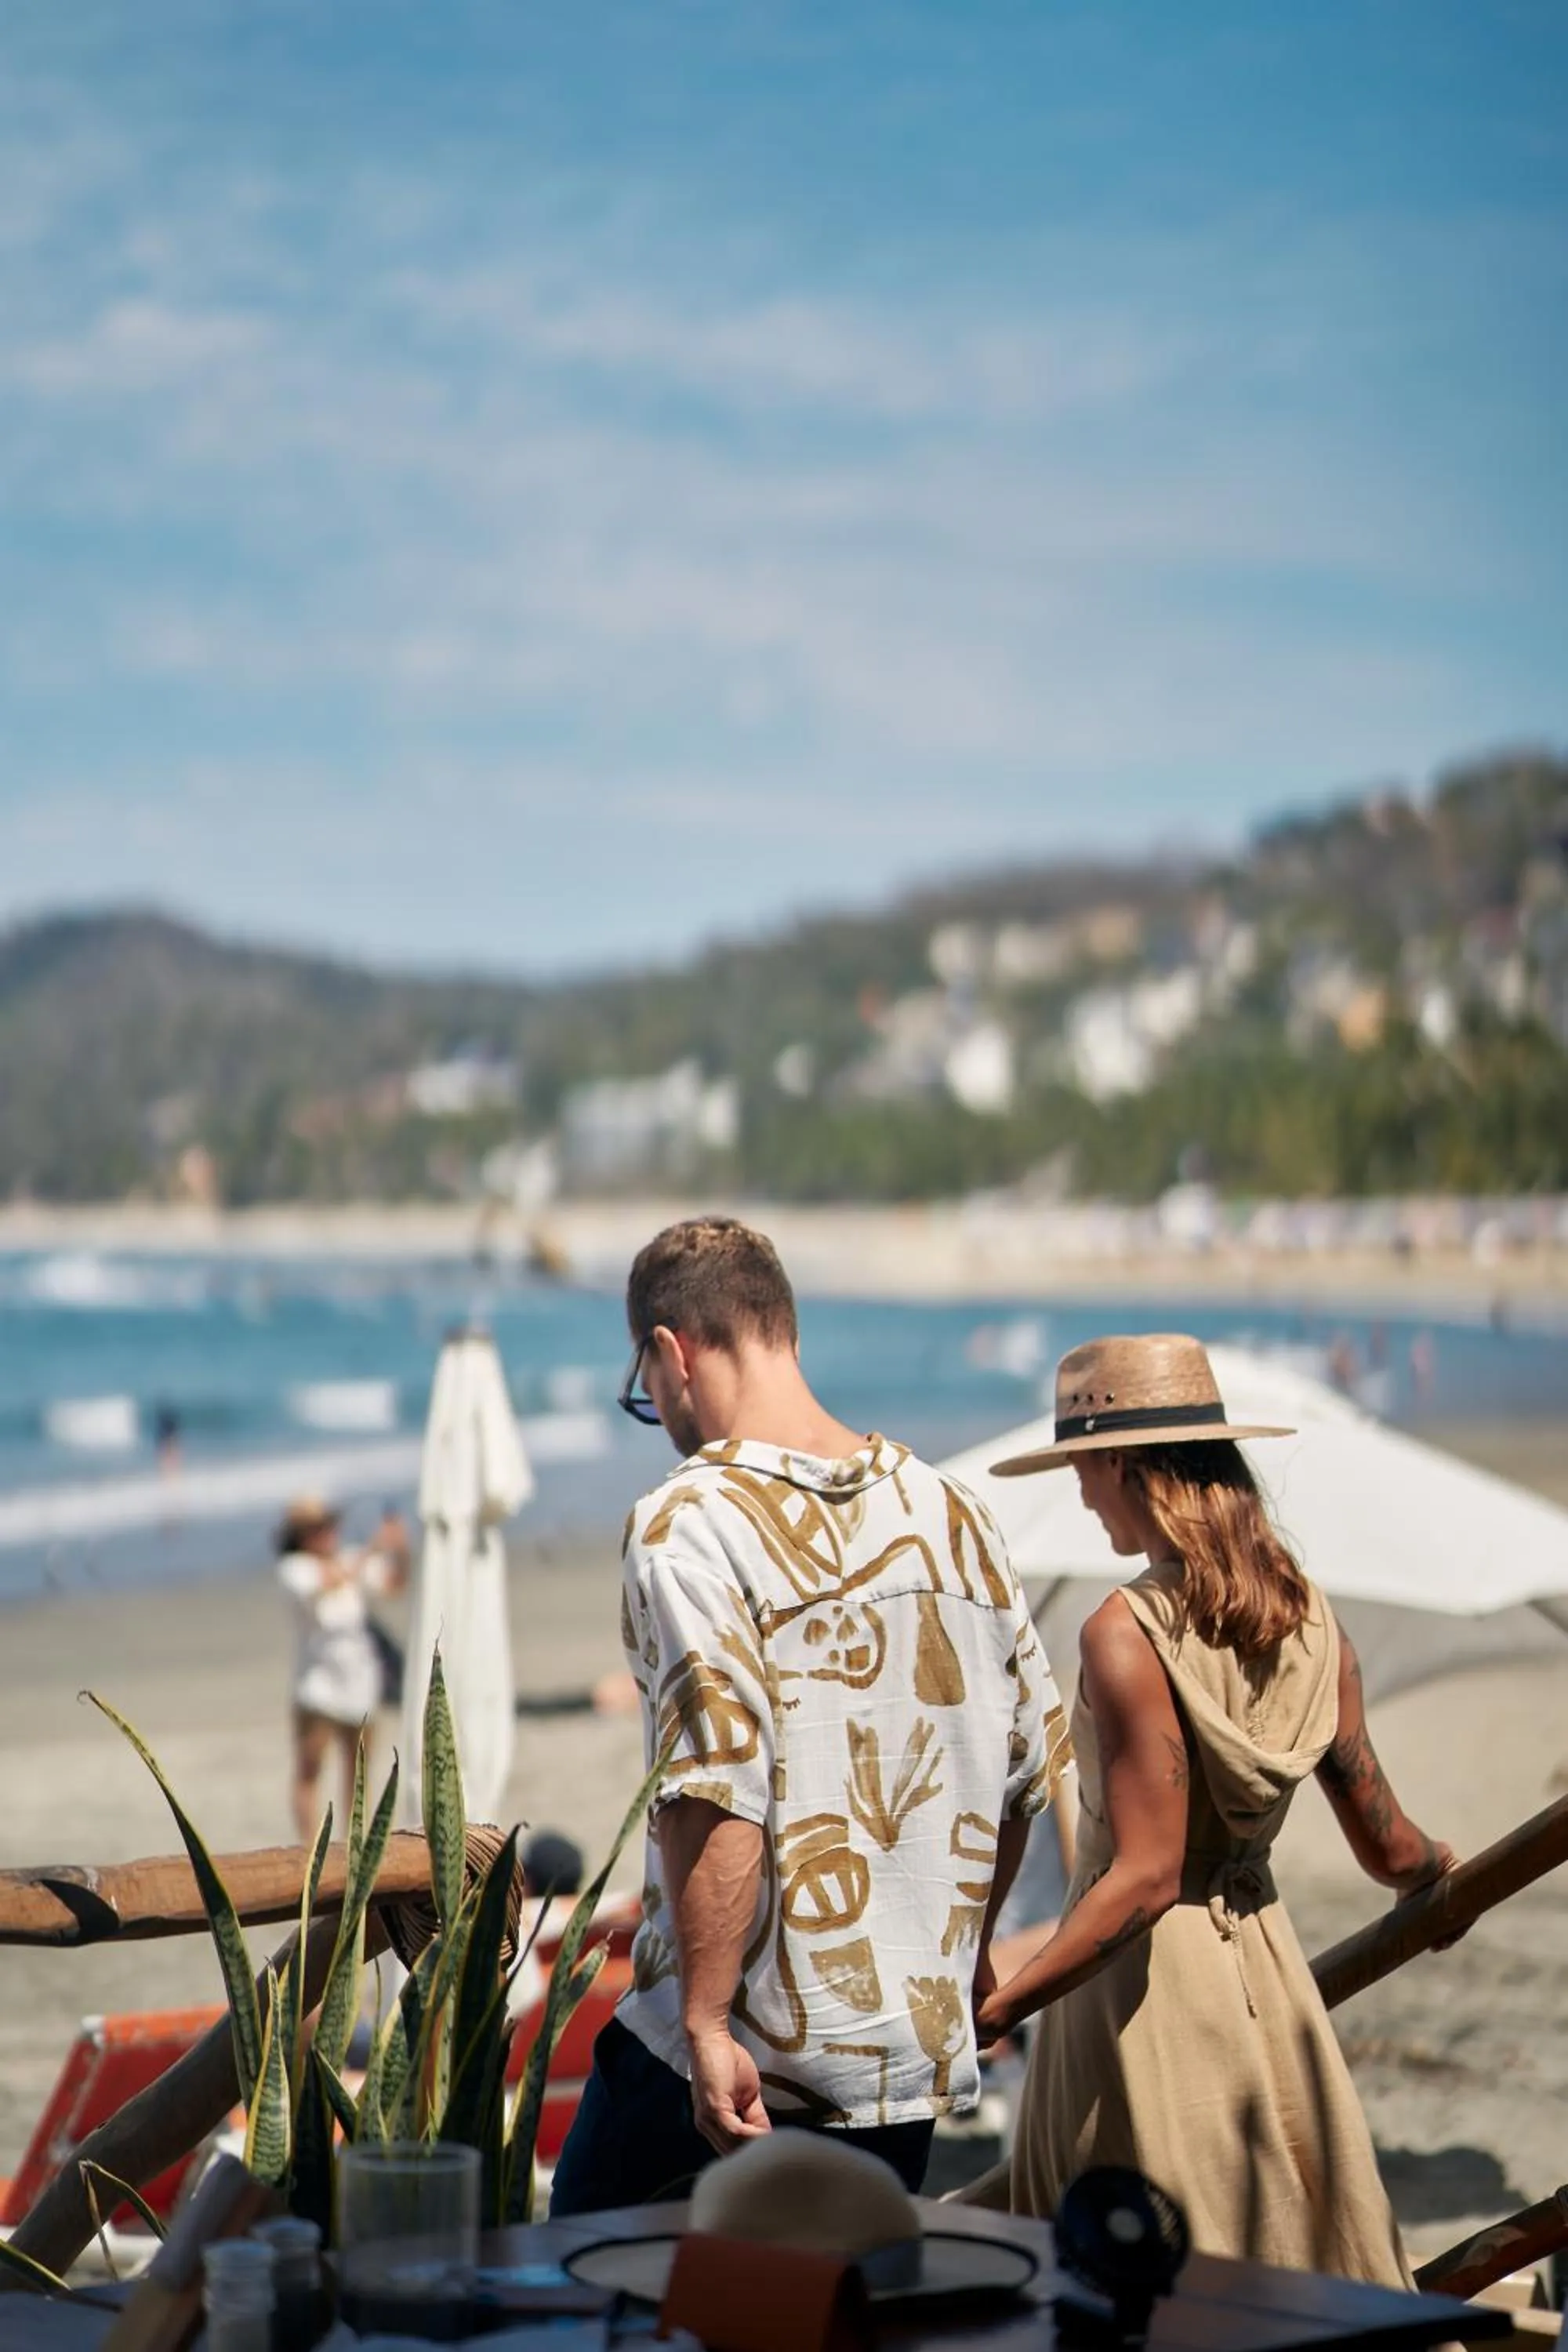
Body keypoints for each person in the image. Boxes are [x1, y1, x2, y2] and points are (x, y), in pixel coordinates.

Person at [550, 1216, 1069, 2217]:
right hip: (898, 2074)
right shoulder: (952, 1515)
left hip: (724, 2077)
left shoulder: (688, 1522)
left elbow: (715, 1783)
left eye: (644, 1393)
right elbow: (1023, 1777)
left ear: (671, 1353)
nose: (657, 1410)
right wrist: (957, 1966)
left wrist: (704, 2023)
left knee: (601, 2305)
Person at [969, 1334, 1456, 2285]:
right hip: (1268, 1982)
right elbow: (1387, 1847)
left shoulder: (1124, 1632)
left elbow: (1145, 1878)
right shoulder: (1312, 1621)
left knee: (1138, 2286)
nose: (1077, 1492)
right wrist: (1440, 1872)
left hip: (1136, 2004)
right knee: (1291, 2264)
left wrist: (1002, 2006)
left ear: (1117, 1463)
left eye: (1078, 1469)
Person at [275, 1495, 409, 1842]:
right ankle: (308, 1845)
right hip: (318, 1686)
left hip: (360, 1684)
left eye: (329, 1525)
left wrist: (401, 1547)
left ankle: (355, 1841)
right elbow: (329, 1581)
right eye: (318, 1528)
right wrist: (375, 1546)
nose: (327, 1533)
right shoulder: (295, 1569)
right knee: (310, 1766)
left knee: (359, 1770)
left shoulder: (350, 1558)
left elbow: (394, 1584)